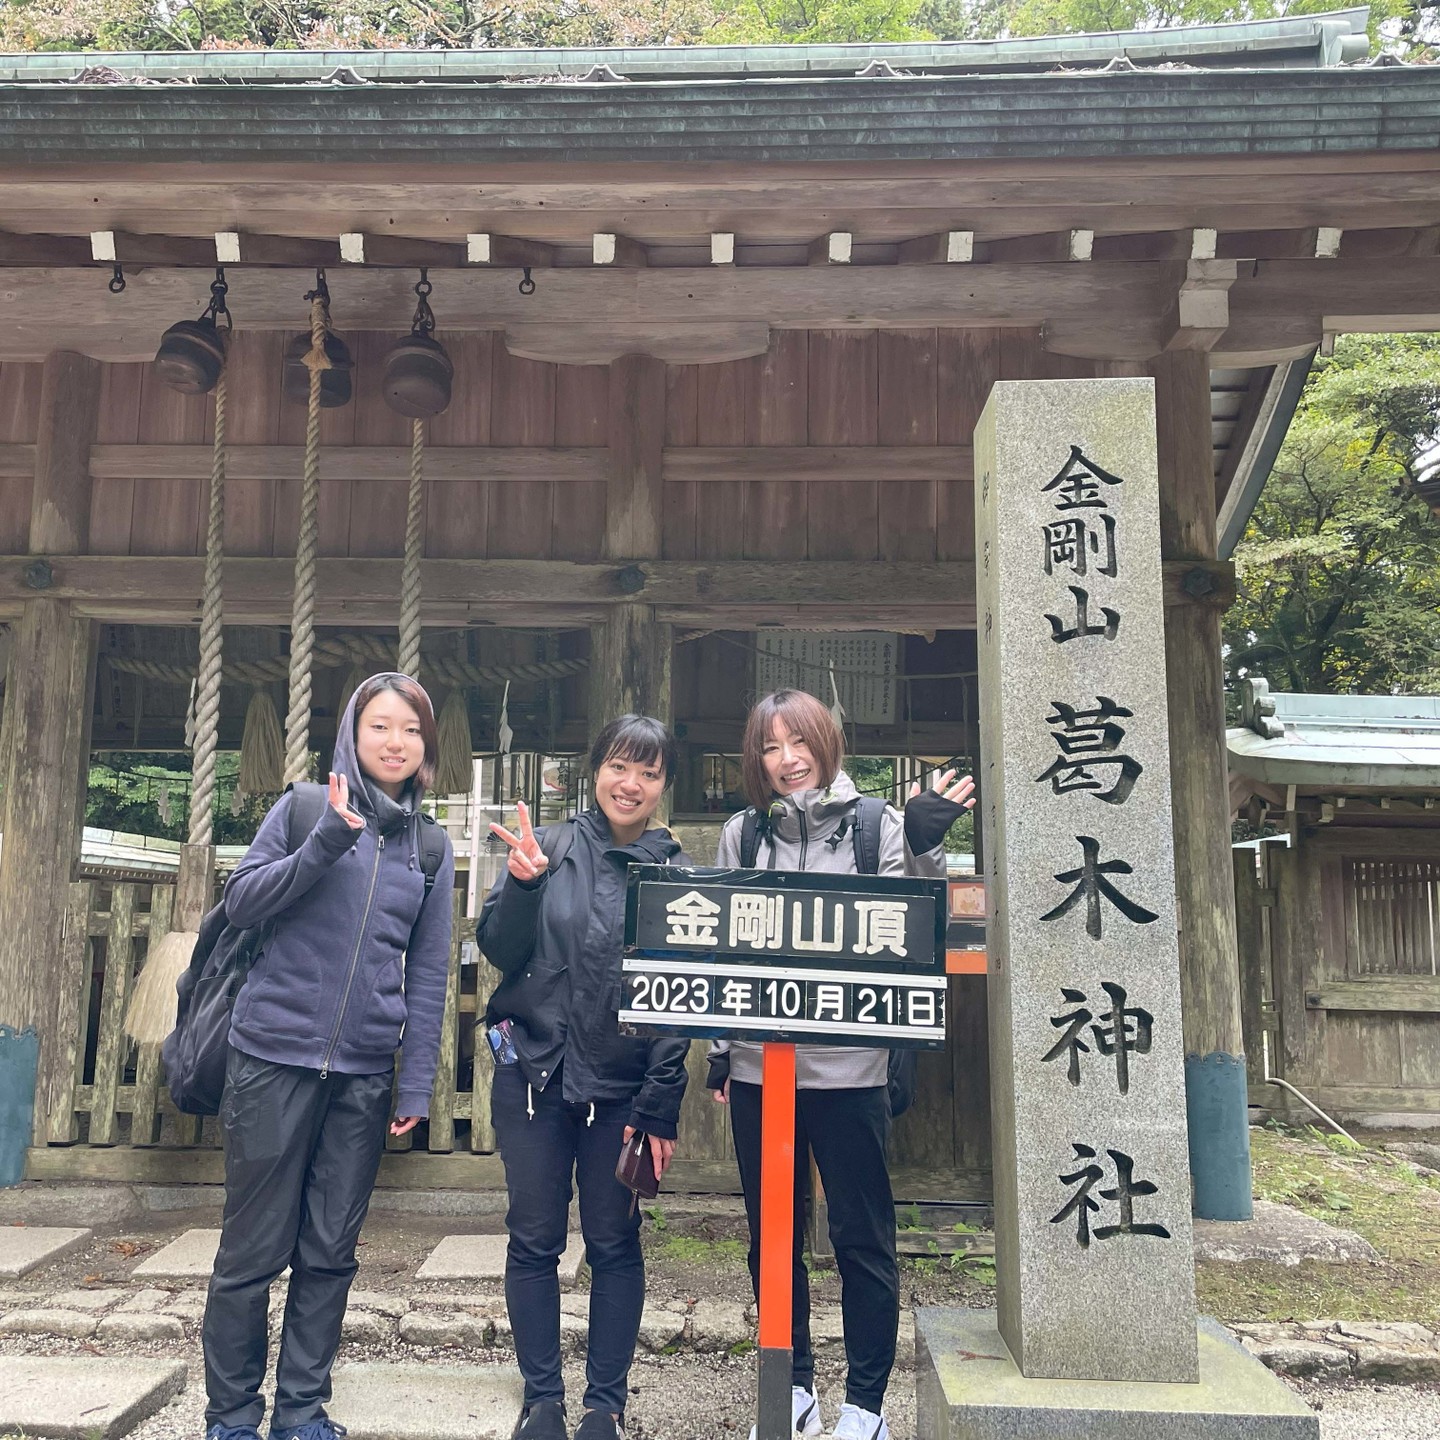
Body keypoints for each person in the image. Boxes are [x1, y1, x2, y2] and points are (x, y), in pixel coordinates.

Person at [708, 689, 973, 1440]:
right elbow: (722, 950)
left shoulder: (875, 826)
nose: (787, 759)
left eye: (799, 742)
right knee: (772, 1237)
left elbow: (921, 931)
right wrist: (723, 1054)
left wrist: (923, 844)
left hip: (851, 1070)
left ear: (827, 743)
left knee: (861, 1234)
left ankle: (865, 1405)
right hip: (762, 1070)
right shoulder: (742, 835)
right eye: (770, 746)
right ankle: (789, 1387)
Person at [201, 673, 455, 1440]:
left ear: (426, 746)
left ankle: (301, 1412)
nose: (395, 742)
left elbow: (430, 971)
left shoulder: (431, 846)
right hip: (271, 1058)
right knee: (251, 1252)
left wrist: (415, 1083)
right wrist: (323, 846)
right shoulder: (305, 808)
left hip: (363, 1074)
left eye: (410, 730)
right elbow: (242, 901)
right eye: (380, 725)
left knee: (329, 1252)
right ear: (352, 732)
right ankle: (232, 1418)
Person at [478, 715, 691, 1440]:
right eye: (618, 766)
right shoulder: (549, 848)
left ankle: (605, 1405)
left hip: (623, 1091)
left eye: (649, 772)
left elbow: (680, 1001)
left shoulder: (674, 875)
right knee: (534, 1239)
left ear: (664, 785)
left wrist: (659, 1104)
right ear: (594, 770)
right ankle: (543, 1399)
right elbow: (499, 950)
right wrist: (524, 885)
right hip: (534, 1080)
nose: (630, 784)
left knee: (614, 1243)